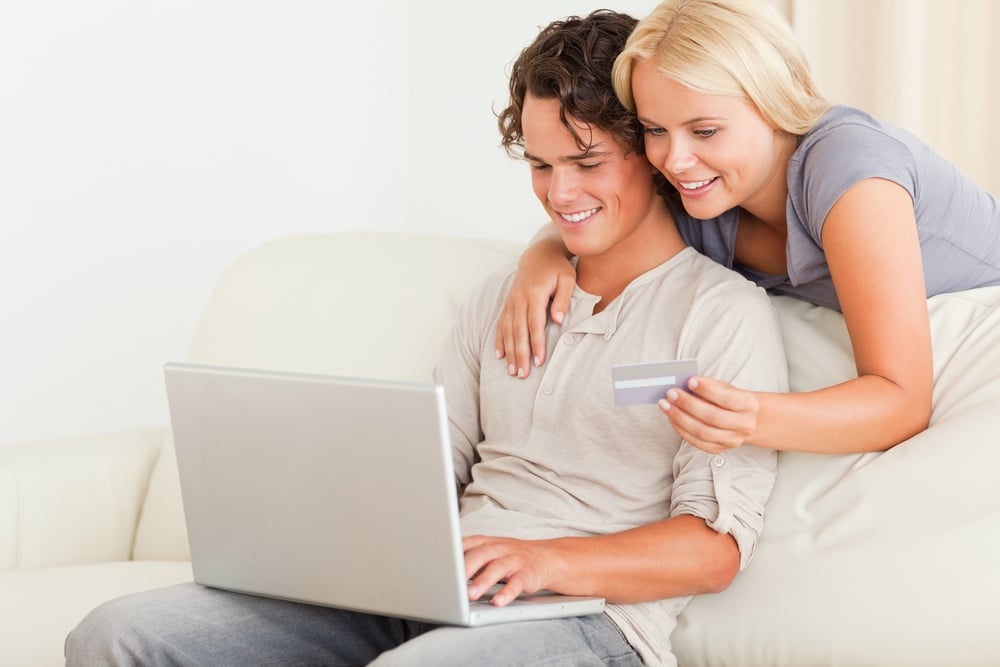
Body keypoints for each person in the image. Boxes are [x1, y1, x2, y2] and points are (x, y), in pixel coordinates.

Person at [65, 11, 787, 667]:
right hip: (433, 596)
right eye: (540, 165)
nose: (560, 194)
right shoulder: (500, 302)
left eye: (586, 163)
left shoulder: (720, 313)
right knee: (117, 633)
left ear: (652, 152)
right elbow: (429, 472)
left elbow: (713, 548)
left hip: (590, 622)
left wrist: (541, 561)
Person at [496, 0, 1000, 456]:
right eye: (655, 130)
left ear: (773, 104)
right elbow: (600, 220)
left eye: (705, 130)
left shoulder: (849, 172)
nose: (676, 159)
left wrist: (749, 415)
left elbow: (903, 402)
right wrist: (542, 257)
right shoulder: (703, 202)